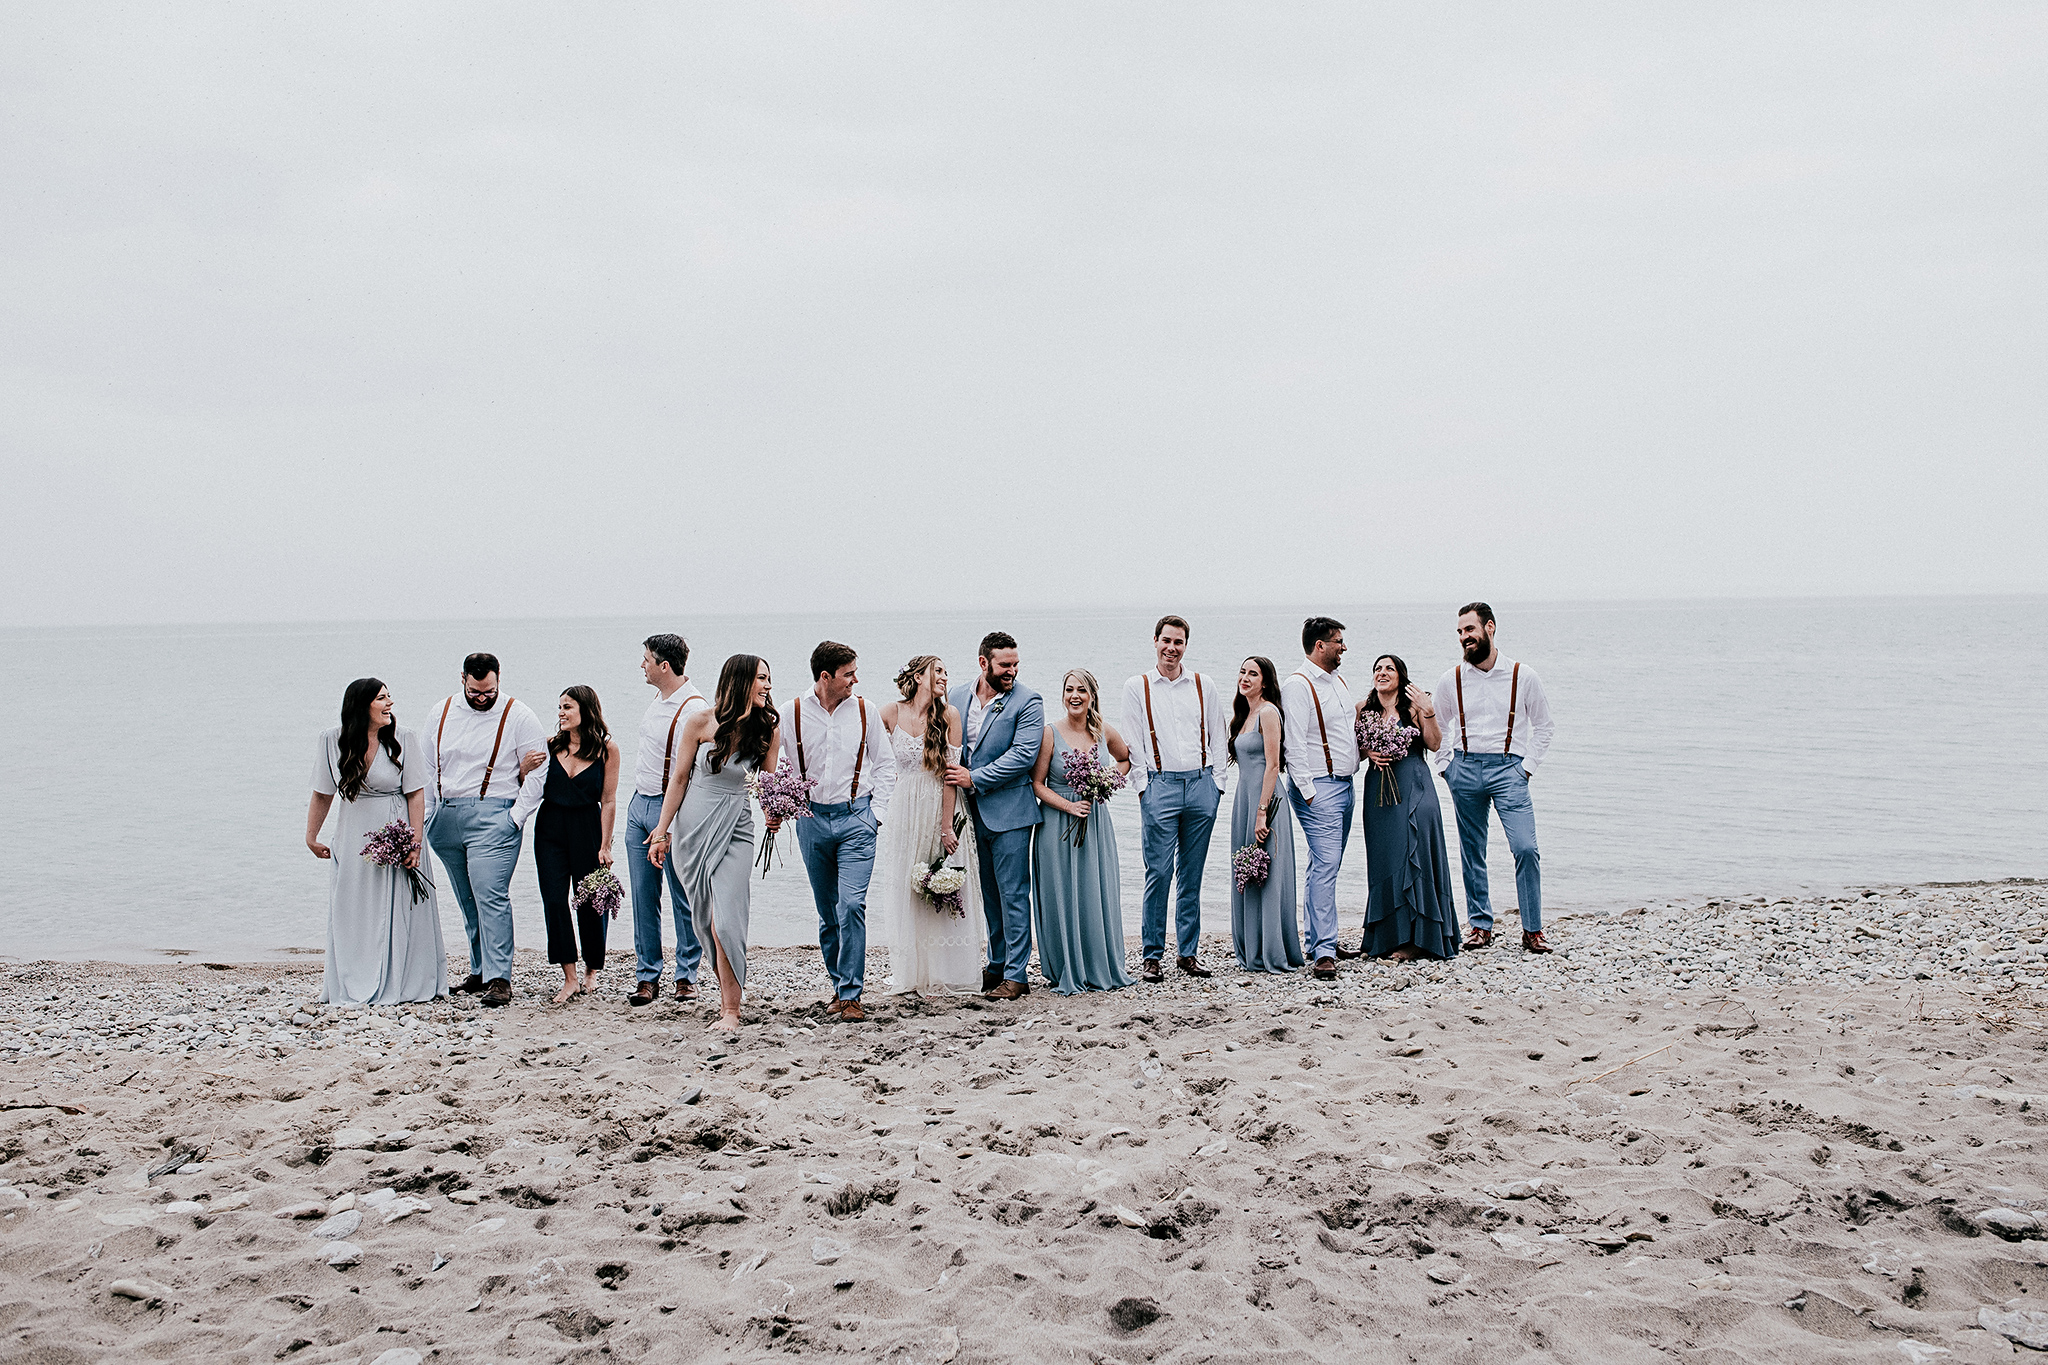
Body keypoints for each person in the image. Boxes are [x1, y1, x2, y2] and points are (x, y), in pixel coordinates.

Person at [648, 654, 781, 1032]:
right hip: (694, 827)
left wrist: (776, 810)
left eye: (769, 679)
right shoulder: (700, 721)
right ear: (740, 681)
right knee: (705, 918)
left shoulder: (769, 727)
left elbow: (767, 785)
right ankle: (726, 992)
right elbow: (678, 780)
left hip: (736, 826)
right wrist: (661, 831)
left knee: (727, 918)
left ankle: (731, 1011)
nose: (768, 686)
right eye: (761, 679)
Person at [306, 679, 448, 1005]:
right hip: (353, 834)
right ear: (362, 705)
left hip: (397, 831)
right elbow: (322, 792)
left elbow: (415, 794)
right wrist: (311, 836)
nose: (390, 704)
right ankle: (352, 979)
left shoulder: (404, 738)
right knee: (351, 908)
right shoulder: (331, 740)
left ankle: (405, 982)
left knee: (398, 908)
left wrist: (414, 842)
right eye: (382, 698)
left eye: (389, 697)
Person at [419, 653, 548, 1008]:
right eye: (475, 691)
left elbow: (539, 771)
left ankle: (500, 979)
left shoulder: (518, 715)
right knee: (467, 898)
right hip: (445, 818)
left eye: (488, 690)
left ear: (498, 678)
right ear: (462, 679)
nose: (482, 697)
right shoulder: (440, 712)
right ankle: (478, 970)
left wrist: (516, 818)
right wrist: (429, 815)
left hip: (495, 815)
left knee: (491, 895)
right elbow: (427, 768)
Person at [781, 641, 898, 1022]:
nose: (855, 679)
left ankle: (851, 995)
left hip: (856, 819)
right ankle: (838, 985)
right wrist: (785, 806)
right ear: (826, 676)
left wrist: (874, 816)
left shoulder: (865, 711)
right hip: (811, 820)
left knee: (852, 905)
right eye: (848, 673)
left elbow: (885, 766)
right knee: (828, 910)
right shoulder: (791, 713)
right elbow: (776, 766)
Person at [1431, 602, 1557, 953]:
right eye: (1459, 632)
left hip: (1509, 770)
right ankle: (1480, 925)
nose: (1464, 638)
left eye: (1469, 630)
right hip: (1465, 768)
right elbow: (1438, 726)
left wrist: (1526, 767)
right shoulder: (1451, 679)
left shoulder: (1523, 675)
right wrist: (1445, 767)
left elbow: (1544, 727)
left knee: (1526, 848)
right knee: (1472, 851)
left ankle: (1532, 929)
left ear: (1490, 627)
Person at [1119, 615, 1229, 982]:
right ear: (1155, 641)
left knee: (1192, 875)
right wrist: (1142, 788)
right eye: (1166, 640)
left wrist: (1218, 785)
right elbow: (1133, 742)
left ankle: (1188, 953)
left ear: (1186, 645)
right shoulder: (1138, 686)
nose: (1171, 648)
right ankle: (1152, 955)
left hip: (1201, 785)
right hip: (1159, 786)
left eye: (1178, 642)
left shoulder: (1203, 684)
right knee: (1159, 873)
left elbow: (1218, 734)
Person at [875, 655, 986, 996]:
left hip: (941, 806)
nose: (944, 676)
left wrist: (946, 827)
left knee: (943, 885)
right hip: (904, 810)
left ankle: (944, 973)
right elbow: (869, 758)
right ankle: (911, 973)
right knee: (910, 886)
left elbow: (951, 776)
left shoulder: (948, 715)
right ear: (918, 676)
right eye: (937, 671)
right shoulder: (890, 712)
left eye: (945, 672)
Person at [945, 632, 1044, 1001]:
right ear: (983, 662)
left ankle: (1018, 975)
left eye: (1016, 665)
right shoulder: (955, 696)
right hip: (970, 815)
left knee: (1014, 894)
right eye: (1005, 665)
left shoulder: (1028, 701)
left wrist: (975, 778)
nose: (1012, 672)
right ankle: (998, 964)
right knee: (988, 894)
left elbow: (1023, 755)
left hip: (1011, 813)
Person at [513, 687, 622, 1005]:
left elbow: (609, 800)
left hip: (587, 827)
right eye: (559, 707)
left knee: (589, 901)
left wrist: (605, 845)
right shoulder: (548, 746)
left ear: (585, 711)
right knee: (554, 901)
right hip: (549, 829)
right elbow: (525, 787)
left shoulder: (606, 749)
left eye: (567, 707)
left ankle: (592, 970)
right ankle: (570, 977)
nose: (560, 713)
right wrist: (523, 770)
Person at [1031, 669, 1135, 995]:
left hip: (1095, 822)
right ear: (1063, 695)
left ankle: (1096, 962)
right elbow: (1037, 784)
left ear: (1092, 696)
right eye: (1069, 690)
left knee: (1093, 890)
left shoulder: (1103, 730)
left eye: (1081, 690)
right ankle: (1064, 966)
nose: (1074, 696)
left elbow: (1125, 759)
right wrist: (1069, 806)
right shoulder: (1050, 733)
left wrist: (1105, 781)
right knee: (1061, 893)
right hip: (1057, 825)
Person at [1356, 655, 1457, 961]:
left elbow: (1435, 743)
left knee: (1414, 851)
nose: (1382, 672)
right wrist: (1370, 750)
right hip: (1379, 791)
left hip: (1414, 785)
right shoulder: (1363, 709)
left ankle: (1419, 940)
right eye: (1377, 668)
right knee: (1386, 858)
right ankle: (1387, 936)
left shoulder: (1414, 706)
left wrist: (1428, 712)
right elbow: (1356, 752)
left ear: (1401, 676)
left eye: (1389, 668)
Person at [626, 634, 709, 1007]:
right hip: (638, 804)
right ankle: (647, 976)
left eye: (646, 659)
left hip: (670, 809)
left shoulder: (695, 708)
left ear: (664, 665)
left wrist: (669, 825)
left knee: (682, 895)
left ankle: (686, 975)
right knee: (644, 897)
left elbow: (690, 775)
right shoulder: (655, 701)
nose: (641, 665)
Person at [1280, 618, 1359, 981]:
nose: (1343, 647)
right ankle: (1324, 951)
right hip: (1320, 789)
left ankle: (1320, 938)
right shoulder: (1298, 686)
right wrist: (1309, 791)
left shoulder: (1337, 682)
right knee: (1325, 865)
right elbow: (1294, 742)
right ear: (1319, 645)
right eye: (1338, 642)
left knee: (1325, 865)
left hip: (1345, 785)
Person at [1228, 657, 1301, 974]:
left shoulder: (1269, 713)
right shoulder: (1245, 715)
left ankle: (1270, 949)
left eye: (1252, 674)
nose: (1245, 677)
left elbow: (1273, 765)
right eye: (1242, 672)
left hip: (1266, 802)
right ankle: (1250, 946)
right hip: (1244, 799)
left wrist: (1262, 813)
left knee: (1268, 874)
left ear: (1266, 681)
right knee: (1248, 870)